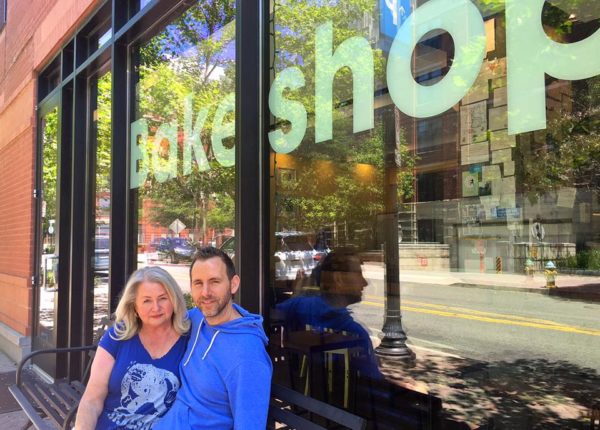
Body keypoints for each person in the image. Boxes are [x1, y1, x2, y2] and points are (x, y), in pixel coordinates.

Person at [154, 247, 273, 430]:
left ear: (233, 284)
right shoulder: (197, 318)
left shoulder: (247, 357)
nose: (205, 293)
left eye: (214, 281)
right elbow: (154, 321)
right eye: (198, 283)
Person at [75, 266, 190, 430]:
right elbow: (92, 399)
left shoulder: (189, 338)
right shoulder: (118, 336)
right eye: (147, 300)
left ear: (174, 299)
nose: (156, 307)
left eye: (163, 298)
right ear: (134, 307)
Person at [277, 249, 382, 379]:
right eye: (358, 274)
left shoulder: (298, 306)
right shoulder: (357, 335)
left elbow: (267, 316)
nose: (365, 283)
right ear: (338, 279)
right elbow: (372, 385)